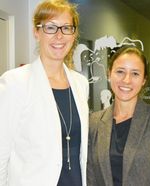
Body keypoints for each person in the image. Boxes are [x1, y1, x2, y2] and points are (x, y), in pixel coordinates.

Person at [0, 0, 89, 185]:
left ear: (74, 35)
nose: (59, 36)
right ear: (36, 32)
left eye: (66, 28)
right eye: (50, 27)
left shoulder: (80, 84)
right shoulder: (14, 83)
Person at [87, 46, 150, 186]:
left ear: (143, 80)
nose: (126, 80)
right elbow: (90, 178)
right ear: (109, 74)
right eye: (120, 72)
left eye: (135, 73)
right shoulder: (94, 122)